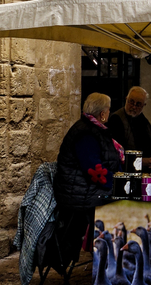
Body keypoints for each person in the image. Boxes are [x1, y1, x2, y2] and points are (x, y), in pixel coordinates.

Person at [52, 93, 124, 268]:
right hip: (79, 193)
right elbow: (94, 171)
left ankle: (113, 257)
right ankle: (111, 258)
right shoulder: (85, 133)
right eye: (108, 109)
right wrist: (118, 184)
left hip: (85, 189)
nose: (109, 112)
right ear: (102, 114)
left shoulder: (93, 129)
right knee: (120, 203)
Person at [107, 86, 151, 170]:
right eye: (131, 102)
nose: (134, 107)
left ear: (144, 105)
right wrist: (142, 161)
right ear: (126, 99)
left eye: (138, 104)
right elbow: (116, 153)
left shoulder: (143, 120)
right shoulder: (116, 119)